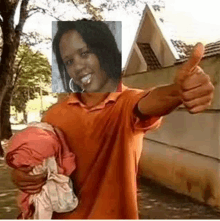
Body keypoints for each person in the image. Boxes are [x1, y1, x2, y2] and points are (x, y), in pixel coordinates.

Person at [10, 20, 214, 219]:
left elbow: (151, 102)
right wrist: (21, 177)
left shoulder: (126, 104)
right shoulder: (54, 114)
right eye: (69, 61)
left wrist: (177, 92)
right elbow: (38, 164)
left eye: (85, 53)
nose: (78, 66)